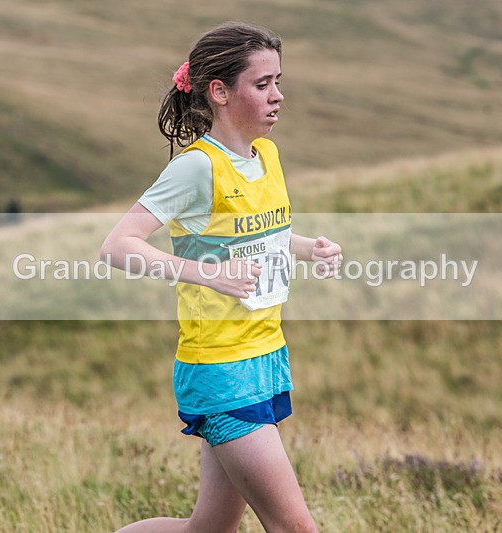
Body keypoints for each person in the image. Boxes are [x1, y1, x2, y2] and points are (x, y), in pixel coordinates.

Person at [101, 21, 341, 533]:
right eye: (262, 85)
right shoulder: (196, 169)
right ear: (219, 91)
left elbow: (262, 238)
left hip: (267, 354)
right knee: (296, 528)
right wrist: (206, 274)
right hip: (221, 369)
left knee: (206, 530)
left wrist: (308, 249)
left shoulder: (266, 156)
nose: (278, 96)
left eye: (279, 81)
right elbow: (117, 246)